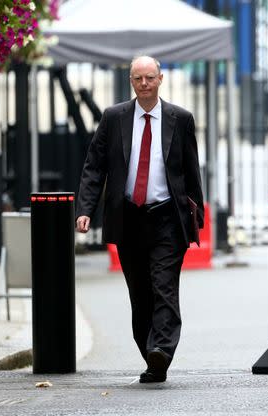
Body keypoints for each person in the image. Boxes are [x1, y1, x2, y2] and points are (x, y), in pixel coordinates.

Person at [75, 55, 204, 383]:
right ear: (131, 81)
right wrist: (85, 210)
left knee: (164, 287)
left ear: (160, 79)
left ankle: (162, 348)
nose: (144, 84)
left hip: (166, 219)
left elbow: (191, 172)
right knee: (140, 293)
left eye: (149, 78)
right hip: (129, 217)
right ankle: (151, 353)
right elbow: (94, 166)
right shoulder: (114, 117)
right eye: (137, 79)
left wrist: (196, 216)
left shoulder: (181, 119)